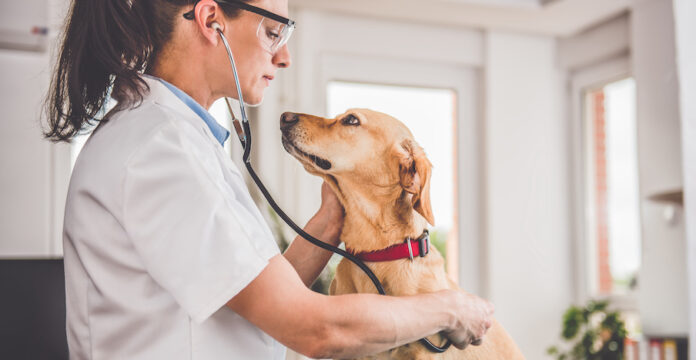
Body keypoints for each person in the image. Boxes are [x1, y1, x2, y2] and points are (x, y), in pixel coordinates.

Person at [44, 0, 494, 358]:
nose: (284, 57)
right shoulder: (159, 153)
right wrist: (452, 306)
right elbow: (315, 329)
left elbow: (255, 295)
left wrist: (330, 220)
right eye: (273, 32)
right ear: (211, 20)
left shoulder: (179, 143)